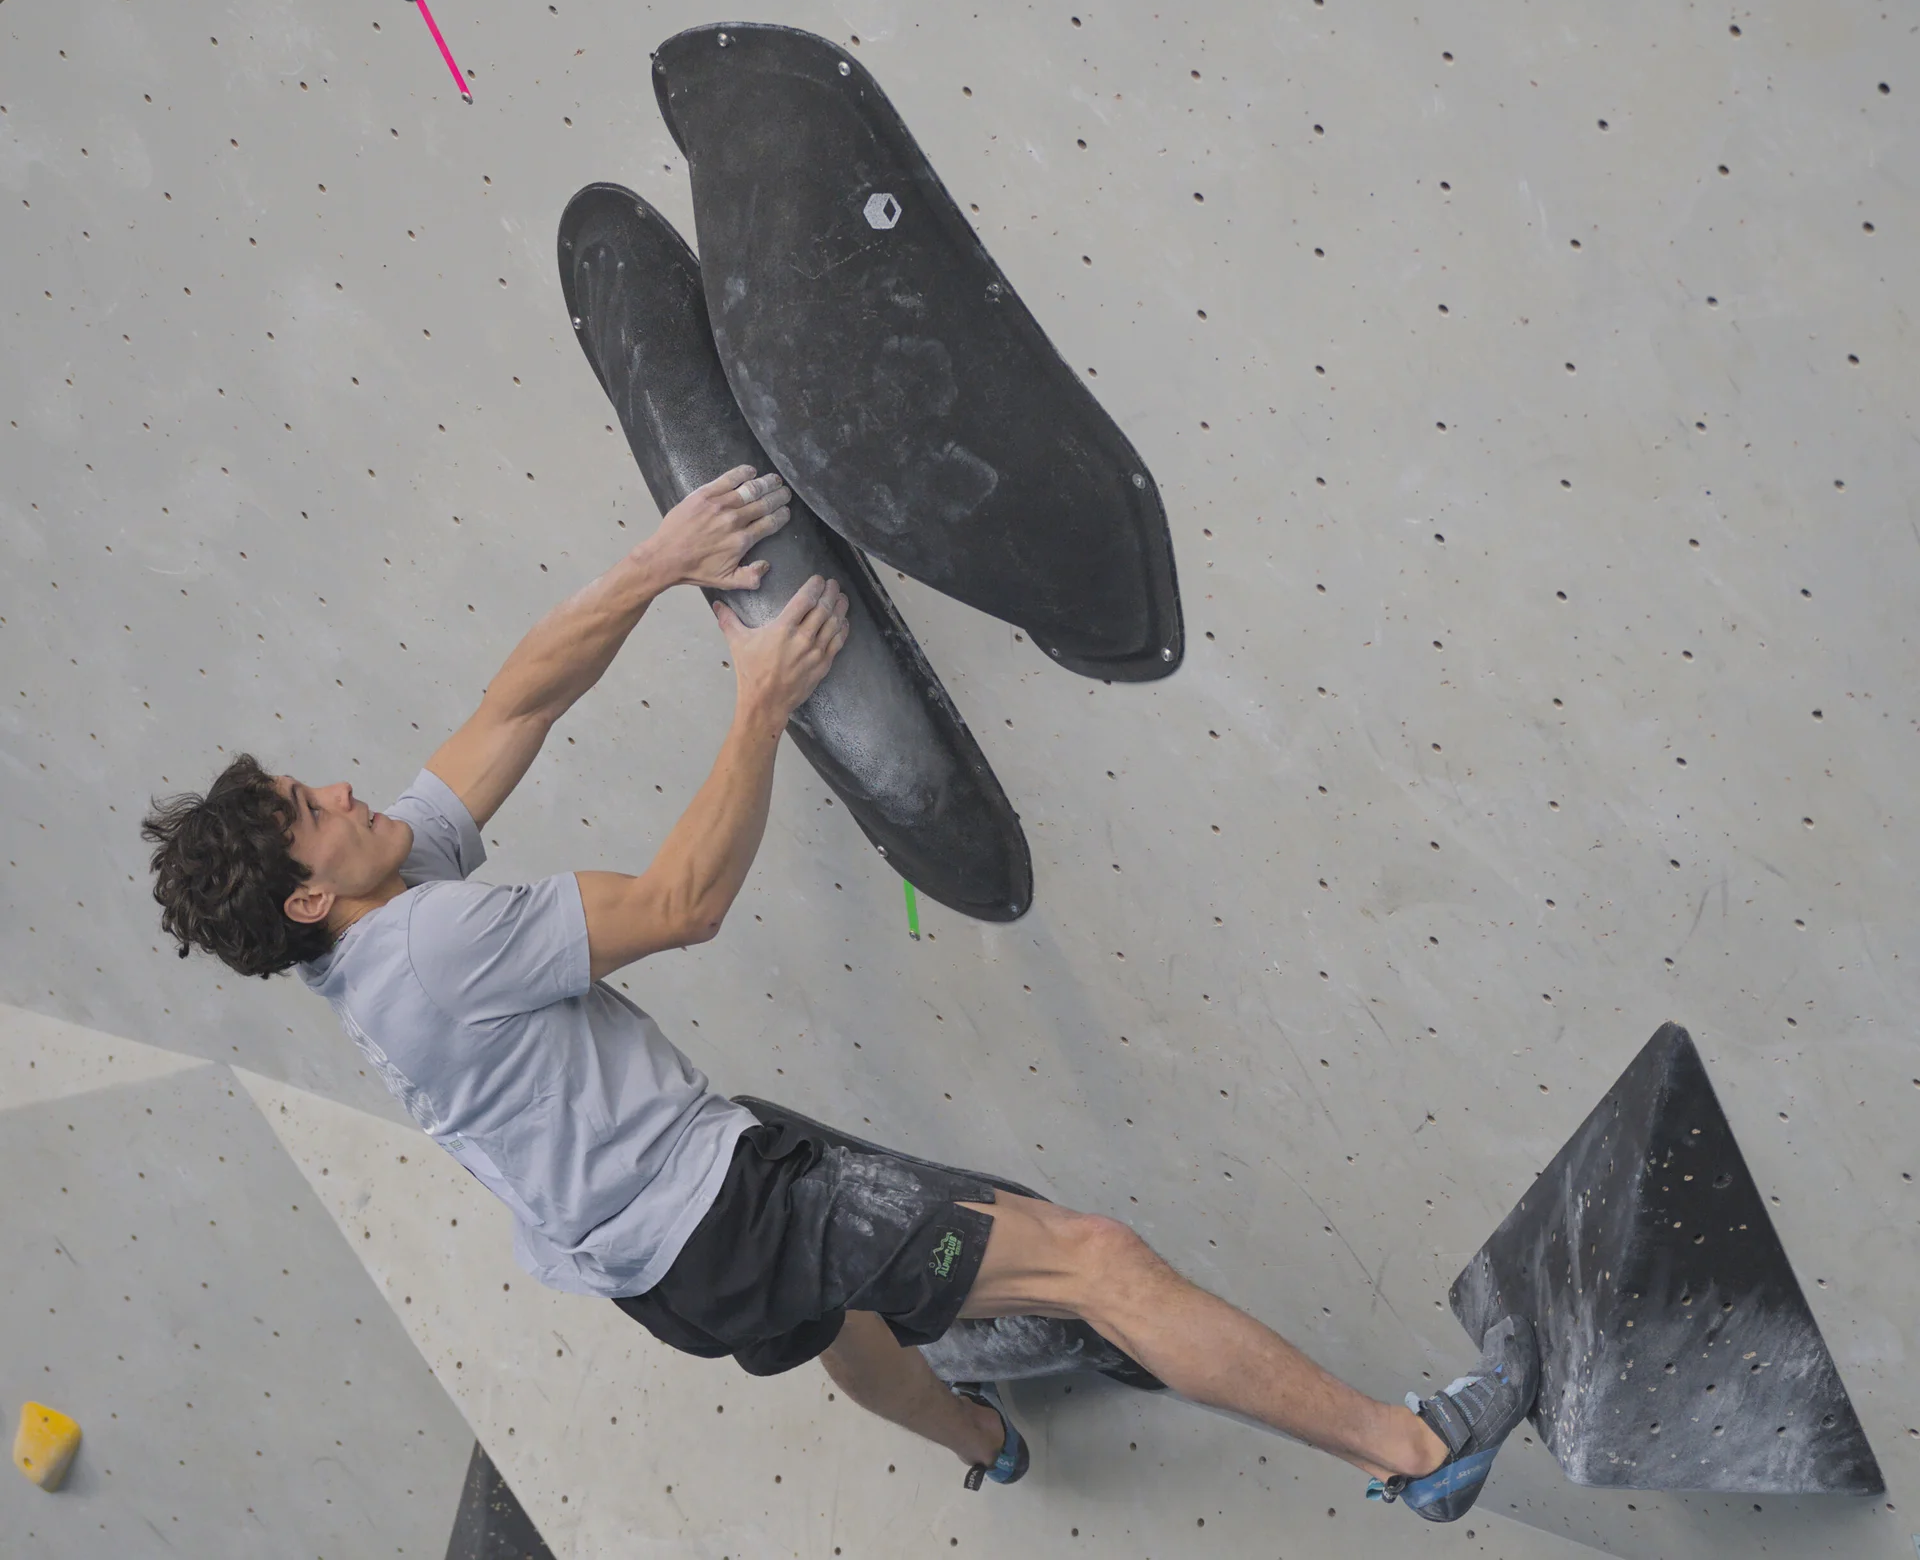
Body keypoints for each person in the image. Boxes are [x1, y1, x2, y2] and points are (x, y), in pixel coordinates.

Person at [141, 465, 1538, 1521]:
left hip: (654, 1269)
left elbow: (512, 710)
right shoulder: (433, 948)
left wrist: (653, 565)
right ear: (310, 896)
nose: (337, 788)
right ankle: (1418, 1450)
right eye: (308, 810)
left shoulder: (369, 929)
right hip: (725, 1208)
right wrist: (756, 700)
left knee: (840, 1329)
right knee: (1094, 1260)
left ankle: (987, 1447)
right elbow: (686, 903)